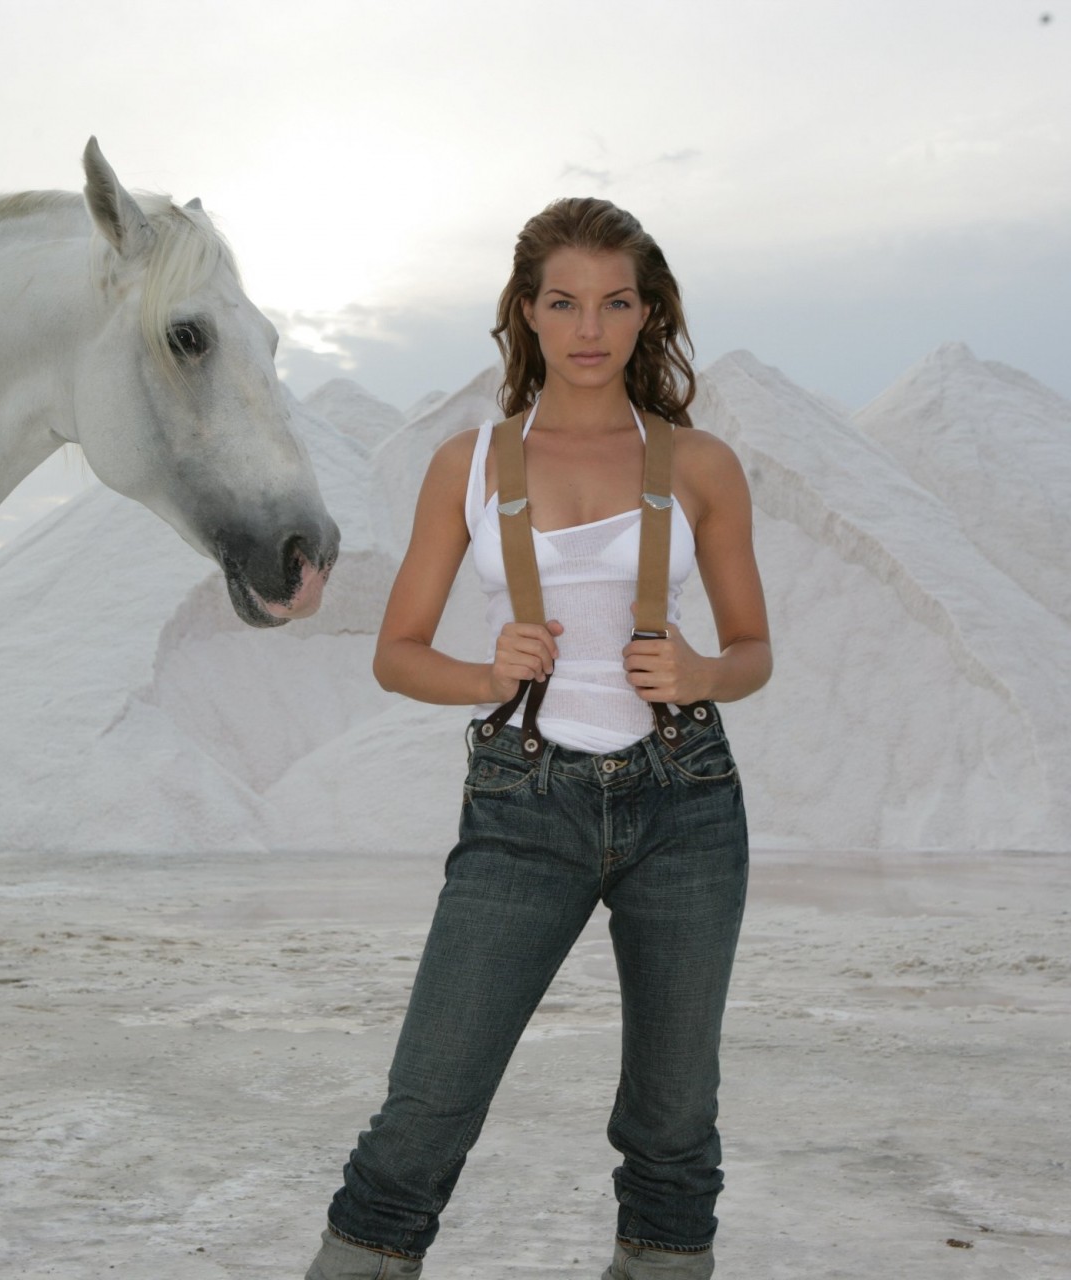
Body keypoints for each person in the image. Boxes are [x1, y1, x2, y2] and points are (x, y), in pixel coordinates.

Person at [303, 197, 771, 1280]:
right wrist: (487, 672)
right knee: (426, 1106)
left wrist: (704, 671)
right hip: (524, 803)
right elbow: (396, 652)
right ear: (527, 311)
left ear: (648, 313)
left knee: (672, 1118)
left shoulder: (700, 465)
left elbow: (753, 649)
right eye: (563, 301)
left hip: (687, 802)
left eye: (615, 302)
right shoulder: (467, 462)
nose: (589, 327)